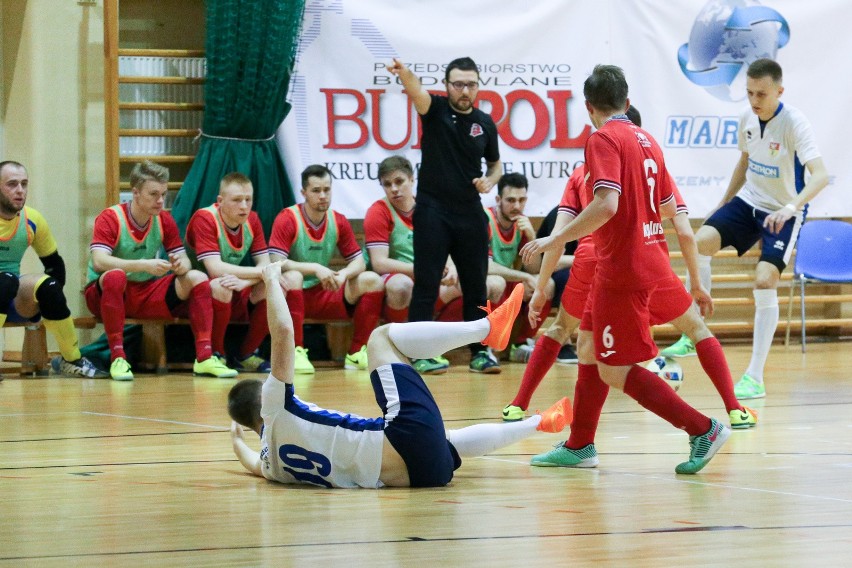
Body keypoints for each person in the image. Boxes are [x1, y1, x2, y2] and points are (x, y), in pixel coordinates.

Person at [521, 65, 734, 474]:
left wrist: (554, 239)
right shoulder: (646, 139)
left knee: (615, 369)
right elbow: (674, 215)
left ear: (588, 108)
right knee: (586, 348)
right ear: (627, 101)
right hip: (636, 260)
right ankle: (580, 445)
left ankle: (701, 428)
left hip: (624, 268)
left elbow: (607, 205)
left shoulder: (602, 138)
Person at [228, 265, 570, 488]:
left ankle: (541, 422)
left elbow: (251, 464)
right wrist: (271, 279)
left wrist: (237, 441)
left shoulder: (271, 465)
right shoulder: (275, 406)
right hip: (406, 438)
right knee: (382, 339)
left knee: (446, 440)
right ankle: (486, 329)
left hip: (424, 475)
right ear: (262, 404)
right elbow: (284, 332)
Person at [661, 58, 829, 400]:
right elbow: (744, 161)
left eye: (762, 94)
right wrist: (724, 201)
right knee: (698, 241)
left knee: (765, 280)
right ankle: (697, 330)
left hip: (783, 211)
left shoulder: (795, 123)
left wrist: (791, 207)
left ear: (779, 91)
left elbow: (821, 175)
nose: (754, 100)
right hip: (749, 200)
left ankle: (754, 376)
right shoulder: (747, 118)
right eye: (750, 93)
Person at [386, 56, 503, 374]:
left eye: (470, 84)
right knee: (426, 284)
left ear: (478, 86)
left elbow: (495, 164)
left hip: (470, 214)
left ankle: (480, 353)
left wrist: (490, 180)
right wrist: (405, 73)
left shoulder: (485, 123)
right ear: (448, 86)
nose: (465, 90)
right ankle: (418, 353)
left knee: (476, 286)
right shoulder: (435, 110)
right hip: (433, 212)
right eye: (458, 84)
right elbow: (416, 92)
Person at [86, 160, 237, 380]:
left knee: (197, 277)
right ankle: (118, 357)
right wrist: (143, 265)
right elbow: (99, 261)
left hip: (144, 292)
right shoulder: (111, 217)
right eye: (153, 194)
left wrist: (180, 265)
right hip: (105, 294)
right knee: (116, 277)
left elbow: (183, 258)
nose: (160, 200)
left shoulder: (164, 219)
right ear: (135, 192)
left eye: (163, 194)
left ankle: (204, 357)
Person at [185, 172, 306, 373]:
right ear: (220, 201)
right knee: (221, 285)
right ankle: (217, 353)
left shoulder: (253, 220)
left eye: (248, 199)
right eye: (237, 200)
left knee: (277, 287)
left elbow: (266, 267)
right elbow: (215, 269)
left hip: (236, 286)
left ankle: (246, 354)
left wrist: (245, 282)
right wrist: (256, 275)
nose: (244, 206)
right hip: (197, 293)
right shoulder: (205, 218)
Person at [268, 164, 384, 371]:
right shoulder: (287, 218)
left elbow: (359, 261)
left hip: (325, 292)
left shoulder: (338, 220)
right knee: (294, 276)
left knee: (372, 280)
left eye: (327, 190)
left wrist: (343, 275)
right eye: (316, 190)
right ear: (303, 193)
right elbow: (276, 261)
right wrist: (315, 267)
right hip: (293, 294)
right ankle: (296, 352)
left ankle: (357, 352)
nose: (322, 196)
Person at [0, 161, 105, 378]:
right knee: (7, 280)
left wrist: (49, 302)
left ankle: (72, 359)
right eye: (12, 184)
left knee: (47, 285)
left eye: (24, 184)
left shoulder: (32, 220)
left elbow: (55, 266)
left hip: (10, 294)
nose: (20, 190)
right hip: (5, 284)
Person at [363, 156, 457, 375]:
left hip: (426, 275)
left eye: (399, 181)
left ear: (412, 179)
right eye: (387, 184)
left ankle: (434, 344)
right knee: (402, 286)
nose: (394, 189)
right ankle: (400, 345)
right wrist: (422, 270)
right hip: (396, 275)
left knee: (465, 283)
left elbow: (448, 248)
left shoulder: (430, 208)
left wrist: (451, 266)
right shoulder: (378, 211)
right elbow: (379, 263)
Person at [484, 173, 555, 366]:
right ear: (498, 200)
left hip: (509, 282)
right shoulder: (485, 218)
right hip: (486, 283)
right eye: (510, 200)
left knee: (546, 283)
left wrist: (531, 237)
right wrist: (523, 275)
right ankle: (488, 345)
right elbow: (486, 267)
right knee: (496, 283)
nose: (517, 206)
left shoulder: (522, 222)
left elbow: (536, 268)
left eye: (522, 200)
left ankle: (520, 342)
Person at [535, 204, 578, 364]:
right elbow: (554, 261)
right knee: (571, 277)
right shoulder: (561, 215)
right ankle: (562, 342)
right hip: (547, 272)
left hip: (576, 267)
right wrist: (590, 259)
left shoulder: (596, 212)